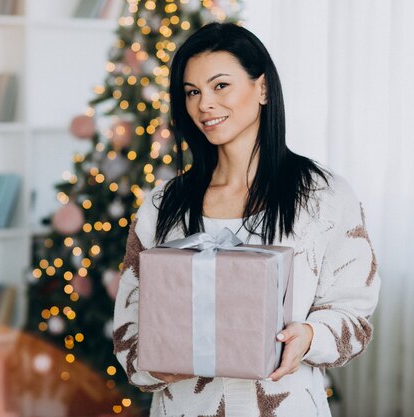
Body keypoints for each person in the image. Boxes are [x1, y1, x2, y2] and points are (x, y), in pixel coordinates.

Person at [113, 22, 380, 417]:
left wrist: (307, 336)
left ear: (263, 88)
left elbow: (354, 315)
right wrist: (157, 362)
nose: (204, 104)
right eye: (192, 92)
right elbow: (128, 331)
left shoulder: (325, 197)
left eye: (220, 86)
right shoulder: (162, 205)